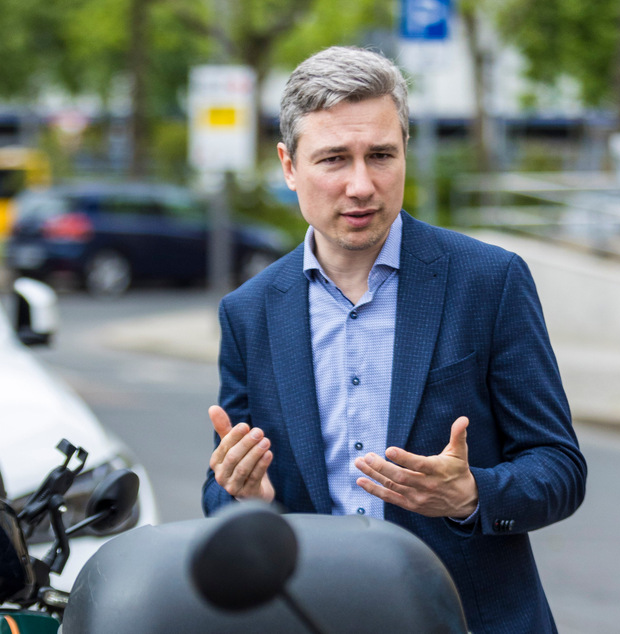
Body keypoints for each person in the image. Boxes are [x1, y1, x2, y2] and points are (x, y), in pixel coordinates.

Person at [201, 45, 587, 633]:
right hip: (314, 615)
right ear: (288, 166)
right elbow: (221, 489)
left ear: (404, 150)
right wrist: (248, 498)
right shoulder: (249, 312)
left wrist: (471, 493)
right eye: (334, 159)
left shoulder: (489, 281)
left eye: (380, 154)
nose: (361, 185)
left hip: (467, 620)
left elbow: (559, 468)